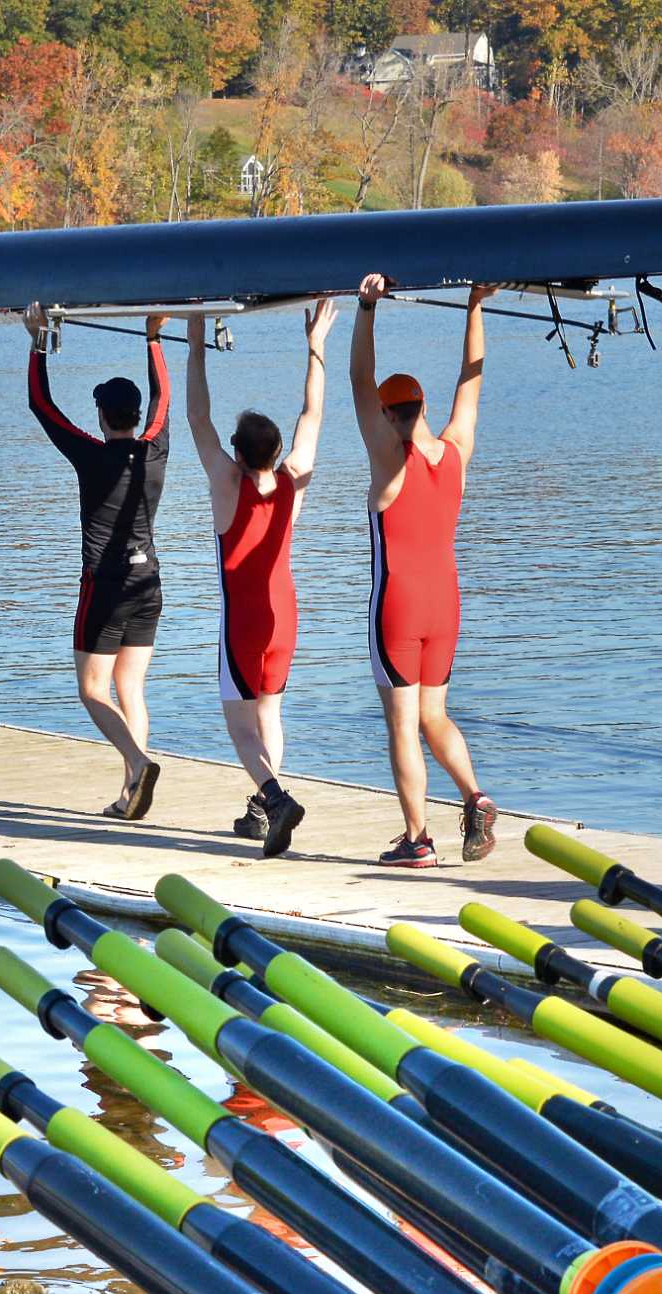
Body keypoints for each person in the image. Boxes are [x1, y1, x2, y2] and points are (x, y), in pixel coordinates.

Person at [351, 274, 497, 868]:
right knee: (436, 714)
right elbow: (472, 379)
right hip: (446, 604)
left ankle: (417, 839)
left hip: (399, 607)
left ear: (387, 415)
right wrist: (474, 308)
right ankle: (476, 796)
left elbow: (360, 381)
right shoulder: (455, 451)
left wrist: (366, 309)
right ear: (425, 408)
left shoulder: (390, 458)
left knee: (403, 725)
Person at [185, 299, 334, 858]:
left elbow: (198, 418)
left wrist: (195, 336)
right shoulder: (293, 480)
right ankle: (261, 810)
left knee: (238, 723)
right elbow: (312, 416)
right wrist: (315, 344)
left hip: (244, 620)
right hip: (286, 615)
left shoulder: (229, 484)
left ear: (241, 454)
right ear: (274, 452)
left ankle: (274, 798)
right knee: (270, 710)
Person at [23, 305, 171, 820]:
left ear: (103, 417)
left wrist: (38, 342)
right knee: (131, 687)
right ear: (133, 416)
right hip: (149, 580)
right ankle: (132, 793)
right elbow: (164, 401)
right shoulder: (155, 451)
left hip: (105, 585)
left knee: (92, 690)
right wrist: (152, 341)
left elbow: (42, 405)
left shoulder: (91, 454)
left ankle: (137, 763)